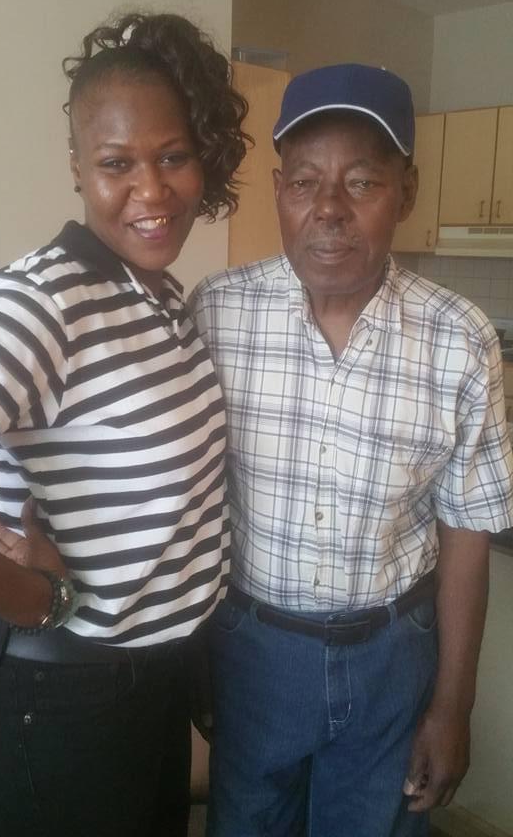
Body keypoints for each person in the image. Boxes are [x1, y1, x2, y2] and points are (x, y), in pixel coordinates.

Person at [189, 63, 513, 837]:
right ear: (279, 191)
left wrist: (453, 706)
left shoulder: (460, 339)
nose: (329, 208)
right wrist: (194, 662)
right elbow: (191, 503)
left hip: (393, 659)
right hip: (252, 651)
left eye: (362, 181)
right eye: (305, 181)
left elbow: (467, 532)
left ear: (406, 190)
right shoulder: (216, 314)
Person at [0, 11, 249, 837]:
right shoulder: (39, 303)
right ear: (77, 169)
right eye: (115, 163)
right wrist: (39, 598)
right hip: (68, 696)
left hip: (155, 681)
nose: (152, 190)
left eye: (173, 156)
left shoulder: (155, 296)